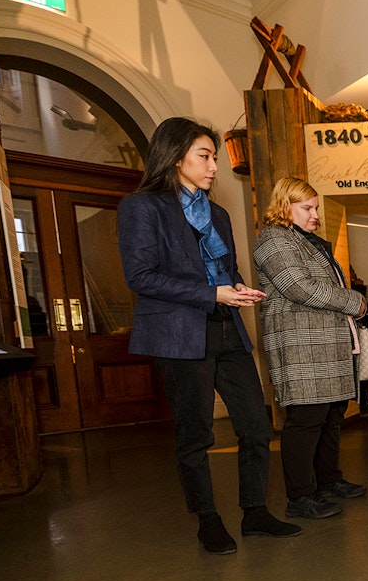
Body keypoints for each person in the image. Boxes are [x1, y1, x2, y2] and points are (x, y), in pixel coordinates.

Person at [117, 117, 301, 554]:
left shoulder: (217, 213)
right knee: (195, 435)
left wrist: (236, 288)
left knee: (256, 427)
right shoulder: (142, 207)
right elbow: (140, 276)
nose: (213, 166)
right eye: (204, 156)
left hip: (227, 328)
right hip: (180, 333)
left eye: (215, 158)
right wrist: (210, 292)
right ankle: (207, 519)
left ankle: (255, 512)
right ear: (176, 156)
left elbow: (224, 270)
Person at [254, 177, 368, 520]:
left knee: (331, 416)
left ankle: (328, 480)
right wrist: (354, 301)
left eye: (315, 207)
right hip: (301, 343)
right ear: (284, 206)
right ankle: (300, 496)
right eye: (306, 208)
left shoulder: (311, 241)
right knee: (305, 420)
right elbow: (299, 287)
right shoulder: (273, 238)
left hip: (327, 341)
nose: (314, 214)